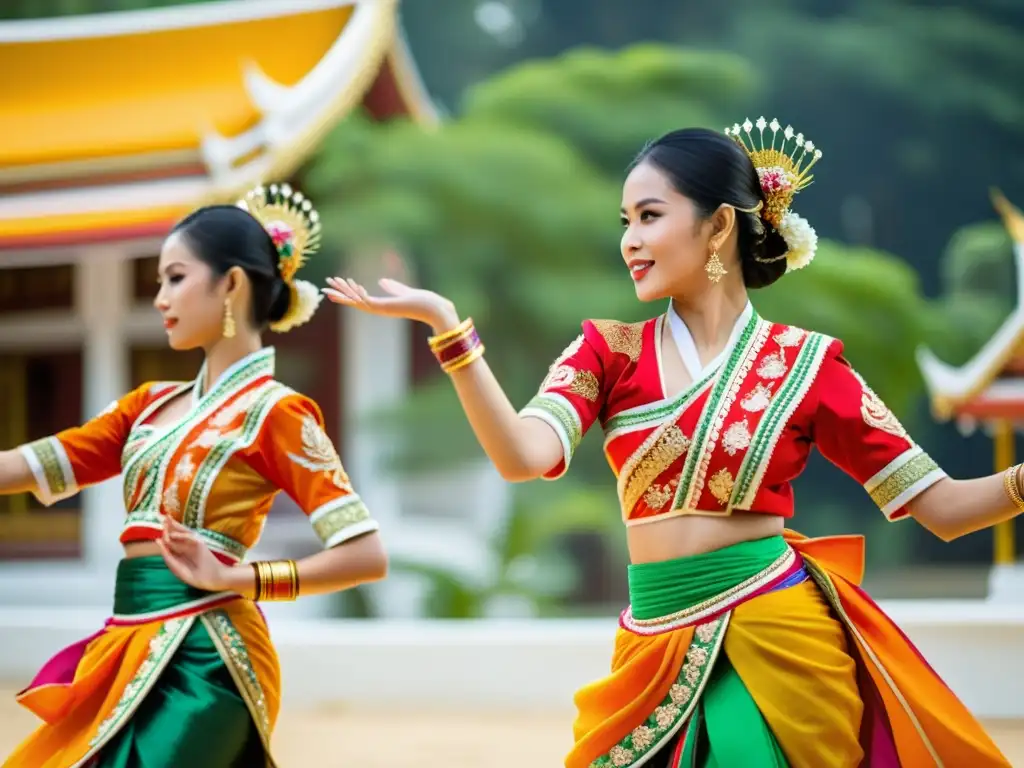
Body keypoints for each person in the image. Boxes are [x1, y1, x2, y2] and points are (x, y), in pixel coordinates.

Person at [323, 118, 1016, 767]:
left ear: (718, 227)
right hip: (651, 647)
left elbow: (946, 508)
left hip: (778, 644)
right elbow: (521, 456)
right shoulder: (608, 352)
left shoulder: (808, 364)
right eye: (625, 221)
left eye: (649, 217)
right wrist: (451, 332)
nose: (629, 239)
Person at [0, 184, 387, 768]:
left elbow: (365, 555)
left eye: (174, 278)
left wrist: (240, 579)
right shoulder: (147, 407)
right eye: (159, 282)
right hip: (126, 642)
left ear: (231, 283)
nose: (159, 298)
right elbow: (29, 466)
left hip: (210, 659)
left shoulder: (277, 413)